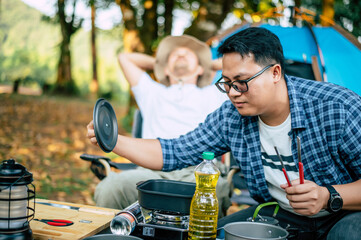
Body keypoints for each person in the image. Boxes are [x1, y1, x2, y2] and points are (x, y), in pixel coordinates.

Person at [87, 27, 361, 239]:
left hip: (344, 215)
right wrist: (114, 141)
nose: (232, 93)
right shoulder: (232, 116)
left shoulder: (337, 108)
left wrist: (330, 196)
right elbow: (174, 151)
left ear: (276, 72)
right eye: (226, 83)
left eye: (241, 83)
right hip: (280, 215)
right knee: (210, 234)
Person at [93, 35, 231, 216]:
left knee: (213, 190)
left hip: (199, 171)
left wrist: (208, 65)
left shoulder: (216, 93)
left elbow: (243, 68)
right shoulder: (152, 92)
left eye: (188, 54)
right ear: (165, 69)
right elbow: (125, 58)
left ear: (200, 68)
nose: (181, 54)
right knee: (110, 186)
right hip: (151, 171)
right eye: (175, 55)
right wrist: (161, 65)